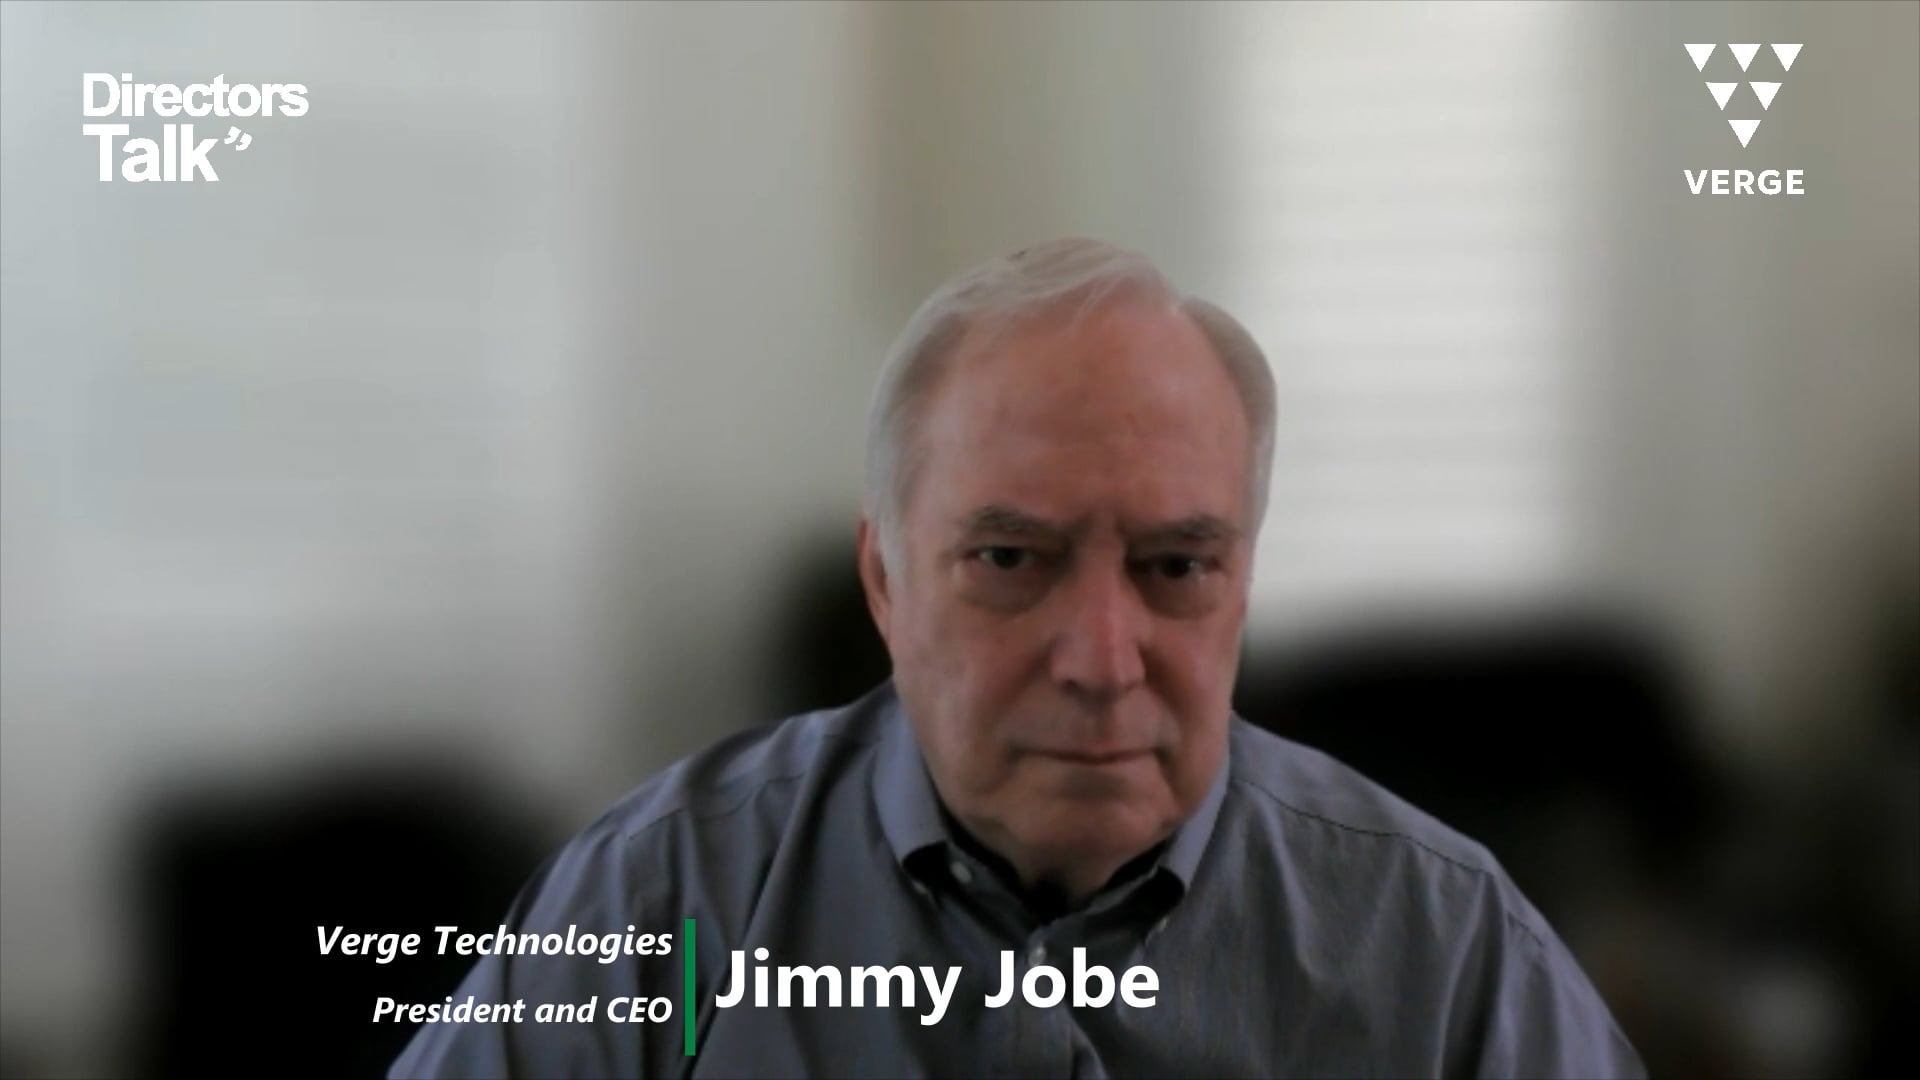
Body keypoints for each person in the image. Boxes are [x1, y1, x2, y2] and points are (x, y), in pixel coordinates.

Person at [390, 238, 1644, 1078]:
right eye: (1009, 559)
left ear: (1244, 584)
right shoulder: (656, 903)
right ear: (886, 582)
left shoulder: (1446, 948)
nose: (1102, 661)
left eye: (1176, 568)